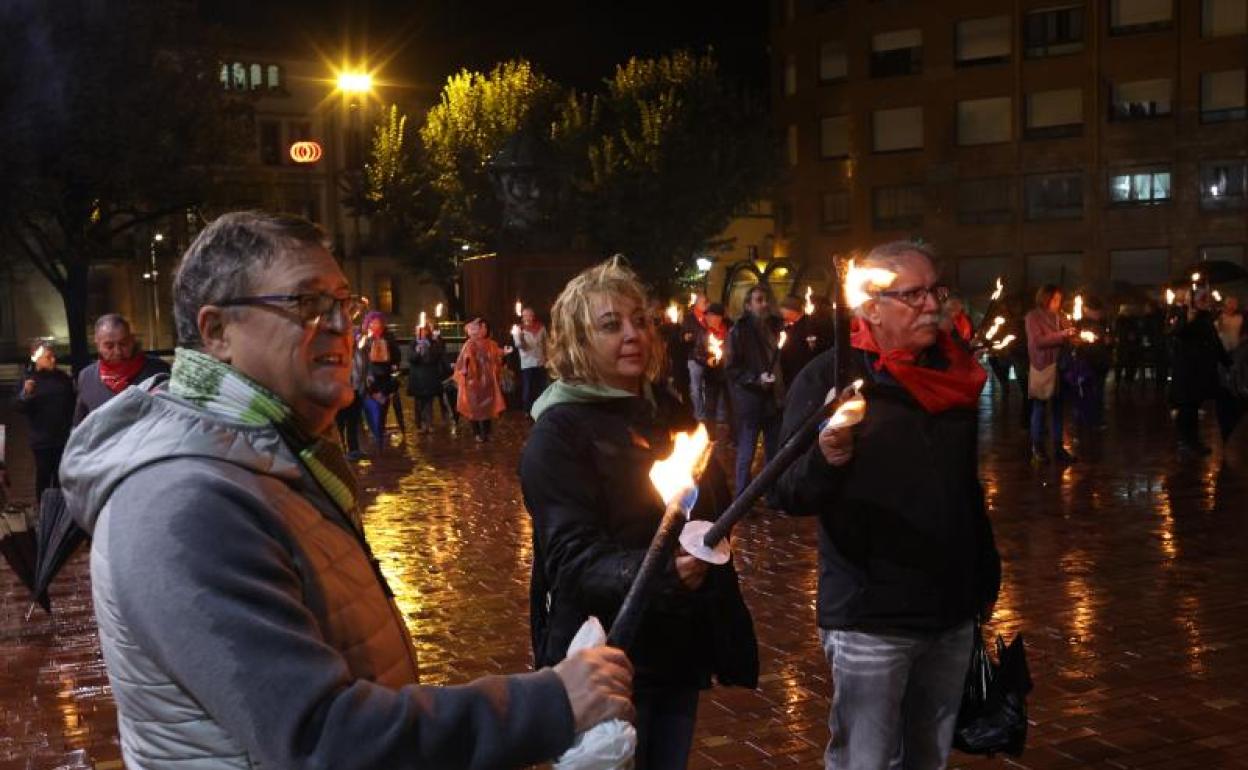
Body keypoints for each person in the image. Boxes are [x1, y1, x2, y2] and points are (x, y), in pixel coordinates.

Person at [59, 211, 632, 769]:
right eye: (306, 304)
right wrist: (550, 703)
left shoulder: (269, 457)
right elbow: (322, 737)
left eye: (343, 304)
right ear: (217, 331)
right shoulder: (185, 498)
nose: (340, 324)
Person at [521, 257, 758, 769]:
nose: (633, 334)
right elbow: (572, 559)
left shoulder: (665, 409)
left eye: (640, 320)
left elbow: (706, 508)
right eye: (611, 325)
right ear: (576, 341)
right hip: (604, 652)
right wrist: (665, 573)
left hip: (673, 649)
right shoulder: (558, 435)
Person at [772, 241, 1000, 770]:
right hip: (871, 614)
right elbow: (786, 492)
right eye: (912, 295)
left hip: (949, 608)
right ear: (870, 306)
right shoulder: (831, 378)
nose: (930, 305)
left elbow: (965, 488)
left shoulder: (954, 372)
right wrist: (827, 457)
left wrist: (983, 573)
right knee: (865, 760)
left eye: (935, 291)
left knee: (928, 756)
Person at [727, 285, 784, 496]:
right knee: (747, 452)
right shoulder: (739, 331)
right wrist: (755, 379)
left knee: (774, 451)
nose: (764, 304)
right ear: (748, 305)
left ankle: (772, 493)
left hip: (774, 400)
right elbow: (732, 369)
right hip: (752, 401)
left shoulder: (775, 327)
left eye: (766, 299)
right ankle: (742, 498)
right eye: (759, 300)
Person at [73, 313, 170, 424]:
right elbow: (80, 424)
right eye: (109, 346)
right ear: (97, 344)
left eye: (123, 344)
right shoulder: (87, 377)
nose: (118, 352)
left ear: (132, 340)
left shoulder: (158, 370)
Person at [1171, 290, 1233, 455]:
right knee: (1187, 408)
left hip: (1201, 372)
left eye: (1206, 299)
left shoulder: (1206, 318)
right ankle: (1185, 442)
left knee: (1194, 406)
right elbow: (1177, 333)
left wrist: (1227, 361)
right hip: (1188, 372)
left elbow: (1214, 341)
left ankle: (1193, 441)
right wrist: (1188, 320)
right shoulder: (1183, 314)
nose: (1206, 302)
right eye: (1202, 299)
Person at [14, 342, 75, 502]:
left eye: (53, 356)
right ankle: (44, 512)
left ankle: (63, 514)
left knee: (63, 478)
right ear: (37, 359)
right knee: (44, 478)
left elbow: (72, 405)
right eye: (48, 357)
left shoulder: (63, 378)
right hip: (41, 441)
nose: (53, 359)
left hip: (63, 438)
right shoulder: (28, 381)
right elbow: (19, 407)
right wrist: (26, 394)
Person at [1025, 285, 1077, 464]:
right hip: (1044, 366)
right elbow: (1038, 341)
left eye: (1059, 299)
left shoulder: (1061, 316)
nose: (1058, 303)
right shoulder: (1033, 317)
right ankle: (1037, 448)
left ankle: (1058, 447)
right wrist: (1062, 334)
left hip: (1061, 367)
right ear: (1045, 298)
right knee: (1039, 407)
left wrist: (1076, 336)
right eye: (1055, 299)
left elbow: (1070, 336)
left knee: (1058, 409)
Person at [455, 317, 507, 442]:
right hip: (473, 381)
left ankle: (487, 432)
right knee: (474, 407)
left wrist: (503, 353)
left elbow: (496, 354)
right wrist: (464, 369)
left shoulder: (490, 343)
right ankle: (477, 432)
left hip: (487, 381)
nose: (481, 330)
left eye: (484, 327)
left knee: (487, 408)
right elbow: (463, 360)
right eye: (479, 327)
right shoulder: (469, 344)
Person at [356, 311, 401, 454]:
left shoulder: (389, 338)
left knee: (381, 412)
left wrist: (387, 348)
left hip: (384, 381)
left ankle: (379, 436)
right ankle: (375, 434)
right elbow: (358, 353)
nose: (376, 325)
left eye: (378, 323)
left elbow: (396, 357)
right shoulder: (364, 338)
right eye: (372, 323)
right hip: (369, 381)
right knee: (371, 411)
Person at [408, 322, 447, 434]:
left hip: (429, 375)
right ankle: (420, 424)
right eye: (417, 330)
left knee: (429, 401)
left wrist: (432, 346)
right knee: (419, 402)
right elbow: (411, 358)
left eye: (422, 330)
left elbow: (437, 356)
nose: (419, 332)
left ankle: (429, 423)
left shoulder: (432, 342)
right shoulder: (413, 343)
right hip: (417, 377)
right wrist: (417, 352)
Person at [512, 307, 549, 416]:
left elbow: (546, 342)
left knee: (541, 386)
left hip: (541, 361)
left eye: (530, 315)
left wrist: (548, 357)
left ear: (533, 316)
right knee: (528, 388)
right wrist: (521, 338)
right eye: (526, 315)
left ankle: (541, 408)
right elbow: (519, 345)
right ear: (522, 317)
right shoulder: (518, 328)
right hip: (527, 363)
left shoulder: (541, 327)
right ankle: (527, 410)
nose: (528, 317)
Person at [777, 295, 816, 388]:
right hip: (793, 372)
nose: (781, 314)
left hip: (800, 373)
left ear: (791, 310)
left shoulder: (806, 326)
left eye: (783, 311)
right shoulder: (791, 325)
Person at [682, 293, 710, 420]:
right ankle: (699, 414)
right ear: (698, 303)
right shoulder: (689, 318)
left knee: (708, 387)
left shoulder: (709, 316)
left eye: (707, 302)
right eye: (704, 302)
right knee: (695, 388)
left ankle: (708, 412)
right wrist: (687, 337)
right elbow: (682, 335)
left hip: (709, 357)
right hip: (694, 357)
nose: (706, 304)